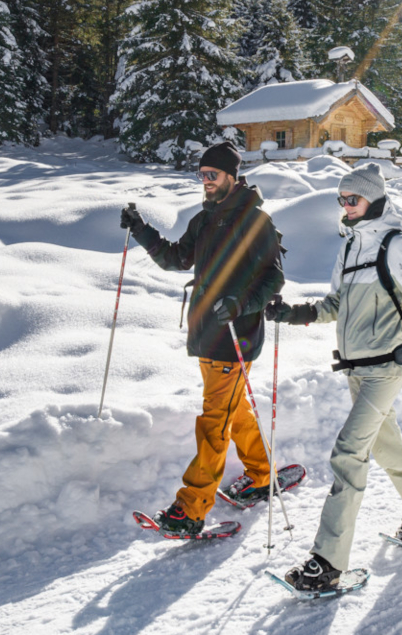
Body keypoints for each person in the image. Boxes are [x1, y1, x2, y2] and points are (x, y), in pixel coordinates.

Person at [265, 163, 402, 591]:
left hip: (387, 367)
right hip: (356, 370)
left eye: (354, 199)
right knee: (385, 446)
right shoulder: (348, 249)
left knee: (349, 454)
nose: (346, 207)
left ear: (374, 200)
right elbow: (334, 304)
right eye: (341, 200)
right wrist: (294, 312)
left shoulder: (395, 245)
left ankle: (327, 563)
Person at [121, 141, 285, 538]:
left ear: (232, 176)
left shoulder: (255, 221)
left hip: (235, 337)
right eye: (202, 175)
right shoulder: (204, 220)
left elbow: (273, 277)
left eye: (212, 175)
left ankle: (191, 509)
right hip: (207, 337)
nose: (206, 182)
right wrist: (141, 230)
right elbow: (176, 258)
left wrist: (239, 303)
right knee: (233, 410)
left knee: (215, 424)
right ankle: (262, 476)